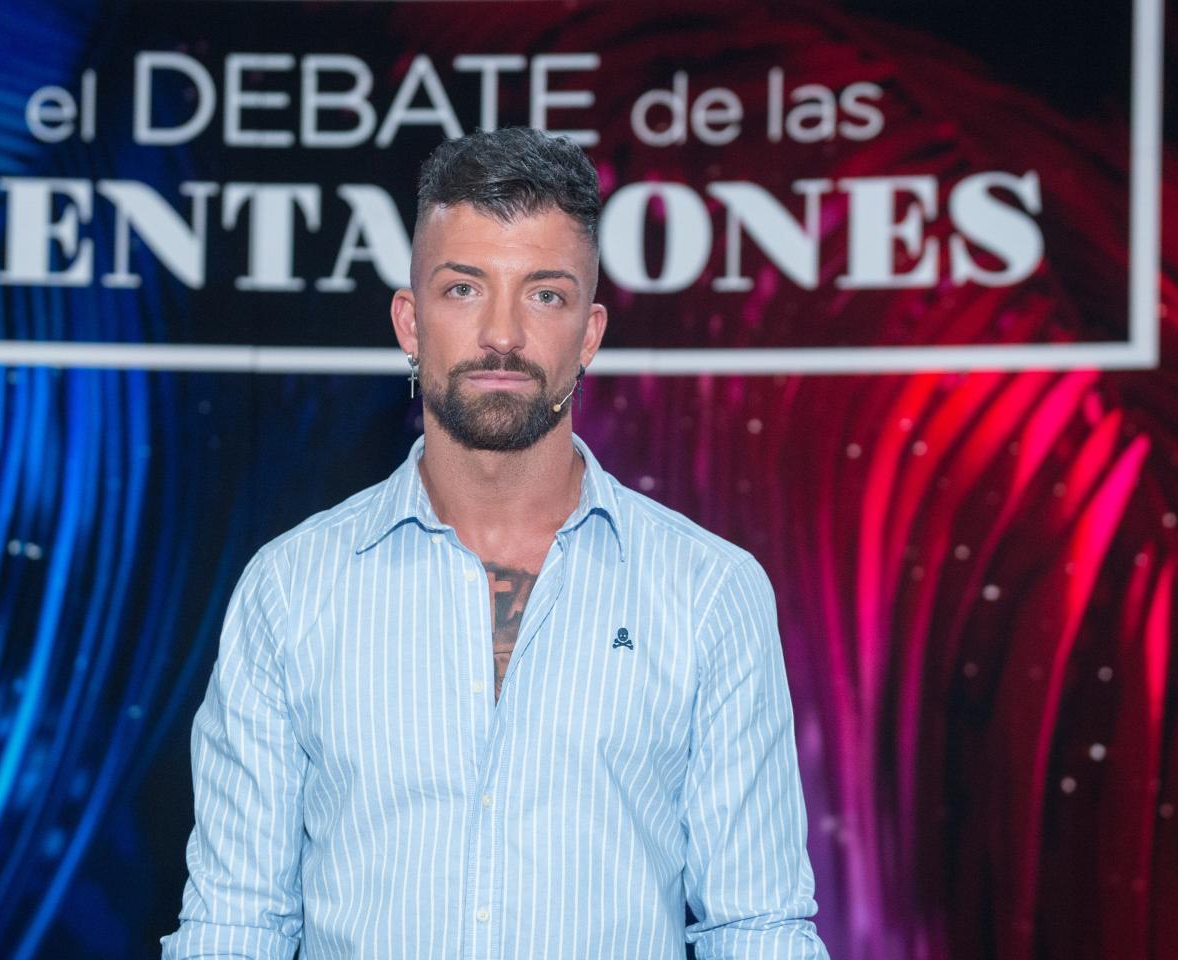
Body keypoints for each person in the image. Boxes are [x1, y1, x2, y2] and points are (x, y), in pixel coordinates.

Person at [162, 127, 827, 959]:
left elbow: (759, 928)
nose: (503, 334)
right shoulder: (291, 589)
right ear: (411, 322)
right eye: (464, 289)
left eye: (544, 295)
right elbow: (235, 926)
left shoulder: (709, 592)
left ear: (589, 333)